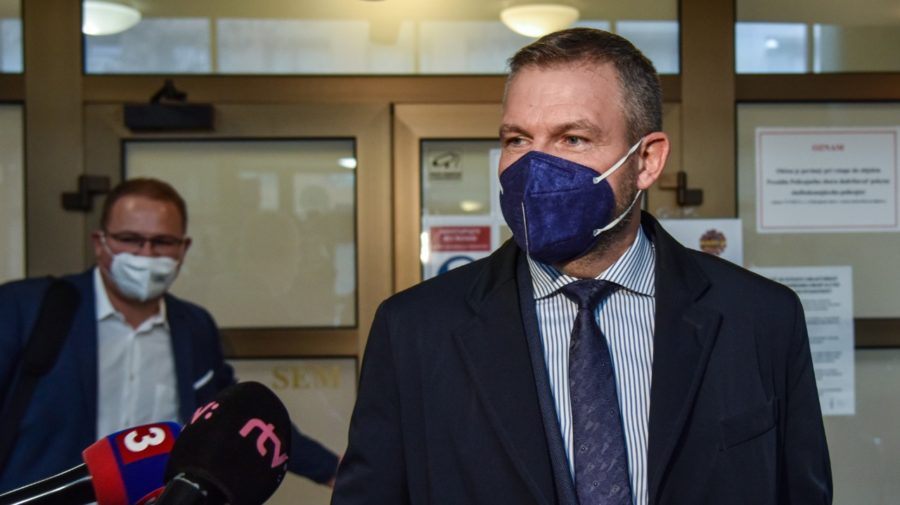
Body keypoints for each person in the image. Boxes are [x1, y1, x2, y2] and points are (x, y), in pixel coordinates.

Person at [330, 28, 832, 505]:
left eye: (572, 139)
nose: (534, 167)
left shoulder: (761, 317)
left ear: (647, 160)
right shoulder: (415, 328)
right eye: (517, 140)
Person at [0, 178, 339, 492]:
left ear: (183, 249)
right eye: (130, 239)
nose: (146, 254)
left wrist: (334, 470)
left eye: (162, 242)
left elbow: (239, 420)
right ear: (100, 243)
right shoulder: (29, 309)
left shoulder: (193, 327)